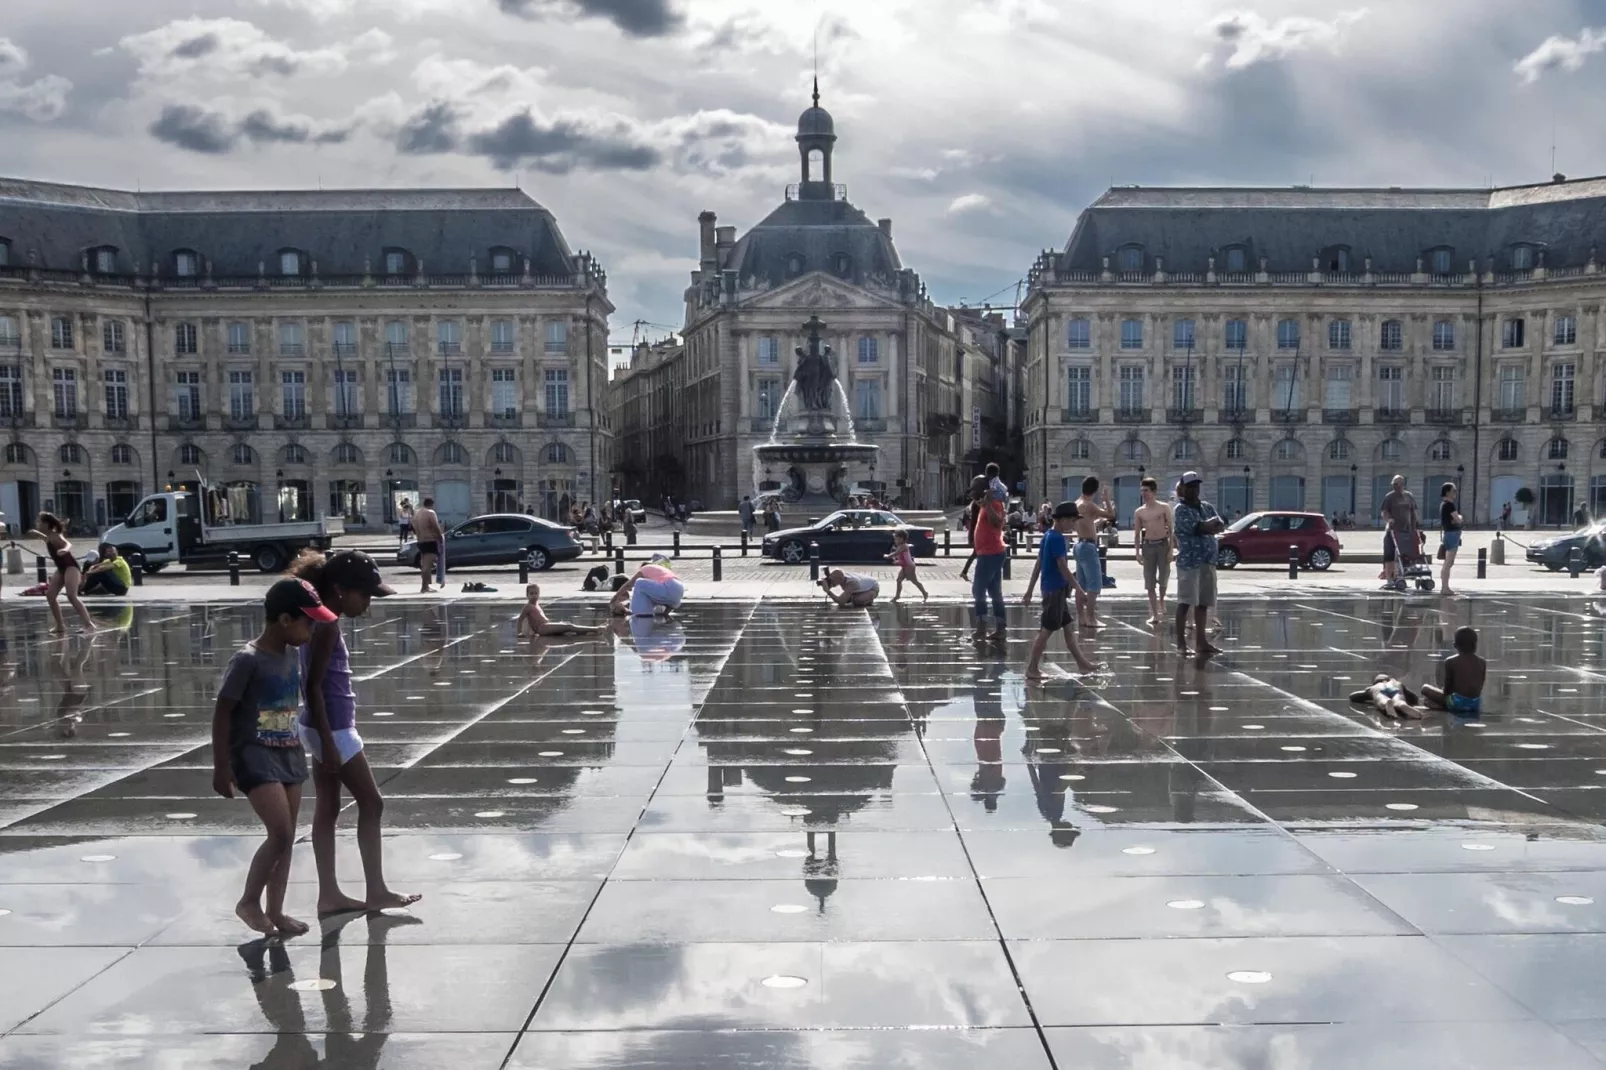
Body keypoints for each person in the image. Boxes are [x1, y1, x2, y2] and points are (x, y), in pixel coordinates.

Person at [285, 551, 419, 919]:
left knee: (327, 808)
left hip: (319, 724)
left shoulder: (319, 618)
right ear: (340, 590)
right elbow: (313, 686)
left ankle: (329, 894)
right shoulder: (325, 626)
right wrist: (329, 742)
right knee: (372, 804)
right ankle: (375, 890)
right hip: (334, 729)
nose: (369, 603)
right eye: (365, 595)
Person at [213, 577, 336, 935]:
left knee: (288, 837)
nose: (312, 630)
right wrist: (222, 766)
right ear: (284, 619)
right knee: (280, 834)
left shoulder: (292, 655)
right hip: (254, 755)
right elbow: (223, 711)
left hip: (288, 753)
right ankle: (248, 901)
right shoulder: (247, 660)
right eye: (308, 622)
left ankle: (276, 911)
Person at [1021, 501, 1099, 679]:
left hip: (1052, 590)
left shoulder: (1048, 535)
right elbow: (1062, 567)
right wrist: (1079, 589)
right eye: (1072, 521)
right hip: (1055, 591)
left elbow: (1038, 564)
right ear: (1062, 520)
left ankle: (1083, 665)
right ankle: (1032, 668)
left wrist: (1030, 590)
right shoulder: (1057, 538)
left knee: (1069, 629)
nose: (1074, 525)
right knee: (1046, 630)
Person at [1172, 473, 1224, 658]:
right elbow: (1197, 527)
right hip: (1190, 561)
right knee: (1185, 602)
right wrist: (1207, 526)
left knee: (1203, 603)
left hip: (1207, 560)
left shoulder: (1206, 507)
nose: (1194, 490)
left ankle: (1202, 642)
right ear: (1183, 488)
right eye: (1191, 486)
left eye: (1197, 486)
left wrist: (1208, 525)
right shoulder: (1181, 509)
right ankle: (1181, 643)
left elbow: (1220, 525)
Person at [27, 512, 95, 635]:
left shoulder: (56, 535)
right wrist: (37, 534)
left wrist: (65, 549)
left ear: (46, 524)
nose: (37, 524)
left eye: (39, 522)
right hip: (61, 568)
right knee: (50, 596)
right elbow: (46, 539)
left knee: (71, 596)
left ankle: (88, 624)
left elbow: (68, 543)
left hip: (71, 567)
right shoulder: (49, 536)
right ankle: (60, 625)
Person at [1072, 477, 1115, 629]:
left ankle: (1081, 618)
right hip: (1089, 547)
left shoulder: (1077, 503)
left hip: (1079, 545)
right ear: (1095, 491)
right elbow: (1110, 515)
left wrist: (1095, 523)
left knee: (1081, 585)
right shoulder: (1089, 505)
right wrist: (1107, 499)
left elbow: (1085, 521)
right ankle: (1091, 618)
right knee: (1094, 584)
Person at [970, 474, 1008, 641]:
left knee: (978, 590)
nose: (974, 491)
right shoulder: (987, 503)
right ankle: (1000, 628)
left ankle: (981, 627)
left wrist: (988, 505)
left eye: (976, 487)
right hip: (988, 552)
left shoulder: (994, 504)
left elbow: (997, 522)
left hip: (991, 553)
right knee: (994, 592)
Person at [1133, 478, 1174, 627]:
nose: (1144, 493)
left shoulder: (1164, 508)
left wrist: (1171, 549)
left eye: (1147, 491)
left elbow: (1170, 529)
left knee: (1163, 577)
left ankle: (1161, 601)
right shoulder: (1140, 511)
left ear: (1154, 492)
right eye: (1142, 491)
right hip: (1148, 545)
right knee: (1149, 581)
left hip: (1162, 544)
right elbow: (1137, 533)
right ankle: (1155, 613)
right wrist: (1137, 552)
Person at [1420, 626, 1487, 715]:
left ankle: (1444, 707)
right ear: (1475, 645)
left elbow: (1447, 691)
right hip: (1475, 704)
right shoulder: (1482, 662)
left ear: (1455, 645)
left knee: (1425, 688)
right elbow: (1480, 686)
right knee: (1434, 700)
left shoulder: (1450, 661)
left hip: (1457, 703)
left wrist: (1442, 692)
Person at [517, 583, 606, 637]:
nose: (534, 596)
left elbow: (533, 619)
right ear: (527, 595)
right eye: (531, 594)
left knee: (566, 626)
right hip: (543, 628)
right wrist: (520, 633)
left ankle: (584, 631)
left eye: (536, 593)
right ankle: (595, 629)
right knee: (569, 626)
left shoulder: (536, 604)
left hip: (544, 627)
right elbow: (520, 619)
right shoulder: (528, 606)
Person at [1380, 474, 1419, 591]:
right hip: (1392, 530)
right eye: (1393, 483)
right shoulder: (1389, 497)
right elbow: (1384, 512)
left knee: (1404, 555)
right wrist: (1389, 519)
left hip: (1406, 530)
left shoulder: (1409, 496)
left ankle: (1400, 577)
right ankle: (1389, 579)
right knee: (1389, 555)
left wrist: (1416, 524)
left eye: (1397, 483)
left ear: (1403, 484)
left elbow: (1414, 511)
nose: (1394, 486)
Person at [611, 557, 684, 616]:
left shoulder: (645, 569)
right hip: (678, 591)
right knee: (648, 600)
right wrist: (665, 613)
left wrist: (615, 598)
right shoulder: (658, 573)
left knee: (639, 582)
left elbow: (629, 584)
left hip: (669, 587)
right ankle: (638, 612)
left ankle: (630, 612)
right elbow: (672, 593)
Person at [1349, 673, 1423, 719]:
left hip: (1379, 690)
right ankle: (1402, 705)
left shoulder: (1373, 687)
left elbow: (1353, 696)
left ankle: (1386, 703)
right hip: (1395, 688)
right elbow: (1414, 697)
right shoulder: (1395, 682)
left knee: (1381, 699)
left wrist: (1367, 691)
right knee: (1399, 699)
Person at [886, 529, 928, 602]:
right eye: (895, 539)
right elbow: (902, 558)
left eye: (896, 539)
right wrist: (897, 561)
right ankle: (897, 596)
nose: (895, 541)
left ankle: (924, 593)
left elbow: (896, 553)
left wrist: (888, 556)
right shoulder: (900, 546)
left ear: (902, 539)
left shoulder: (904, 546)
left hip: (909, 567)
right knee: (899, 580)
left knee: (914, 581)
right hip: (905, 566)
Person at [411, 497, 442, 593]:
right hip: (430, 540)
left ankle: (426, 586)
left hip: (421, 541)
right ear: (431, 504)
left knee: (424, 563)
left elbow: (414, 527)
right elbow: (435, 526)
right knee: (427, 566)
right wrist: (440, 538)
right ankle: (424, 587)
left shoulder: (417, 513)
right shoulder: (430, 513)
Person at [1438, 482, 1463, 595]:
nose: (1455, 493)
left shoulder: (1443, 504)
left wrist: (1456, 519)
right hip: (1452, 534)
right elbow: (1458, 519)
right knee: (1448, 562)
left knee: (1449, 562)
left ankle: (1445, 587)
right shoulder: (1450, 505)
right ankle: (1445, 588)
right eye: (1454, 491)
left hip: (1449, 533)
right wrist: (1459, 518)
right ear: (1447, 492)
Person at [958, 486, 982, 582]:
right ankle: (973, 573)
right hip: (977, 532)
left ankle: (965, 572)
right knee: (978, 553)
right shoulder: (976, 505)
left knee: (976, 554)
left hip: (975, 531)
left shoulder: (974, 505)